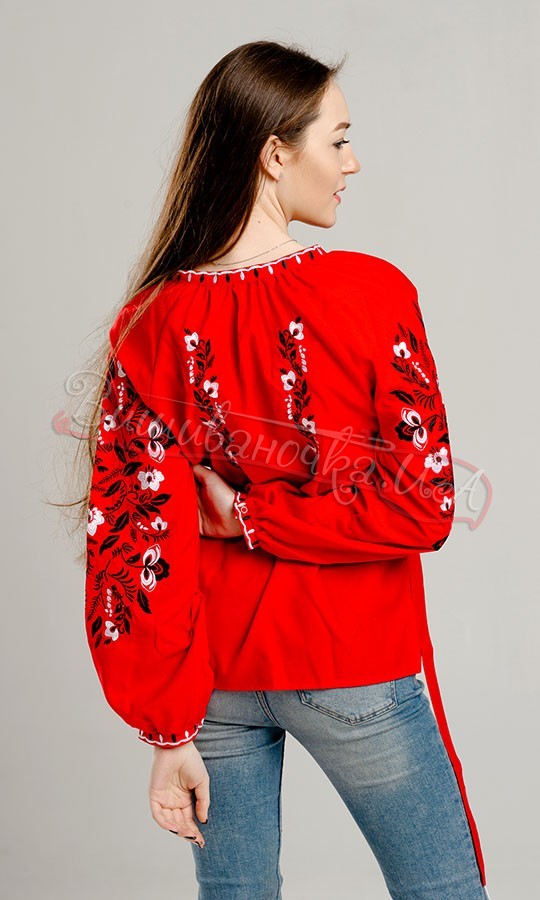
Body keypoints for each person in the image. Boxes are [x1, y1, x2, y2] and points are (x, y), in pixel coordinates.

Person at [82, 40, 490, 899]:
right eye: (337, 141)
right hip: (352, 663)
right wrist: (265, 519)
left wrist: (168, 731)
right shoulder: (372, 294)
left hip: (215, 686)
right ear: (275, 153)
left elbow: (132, 545)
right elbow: (424, 504)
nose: (352, 163)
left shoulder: (150, 322)